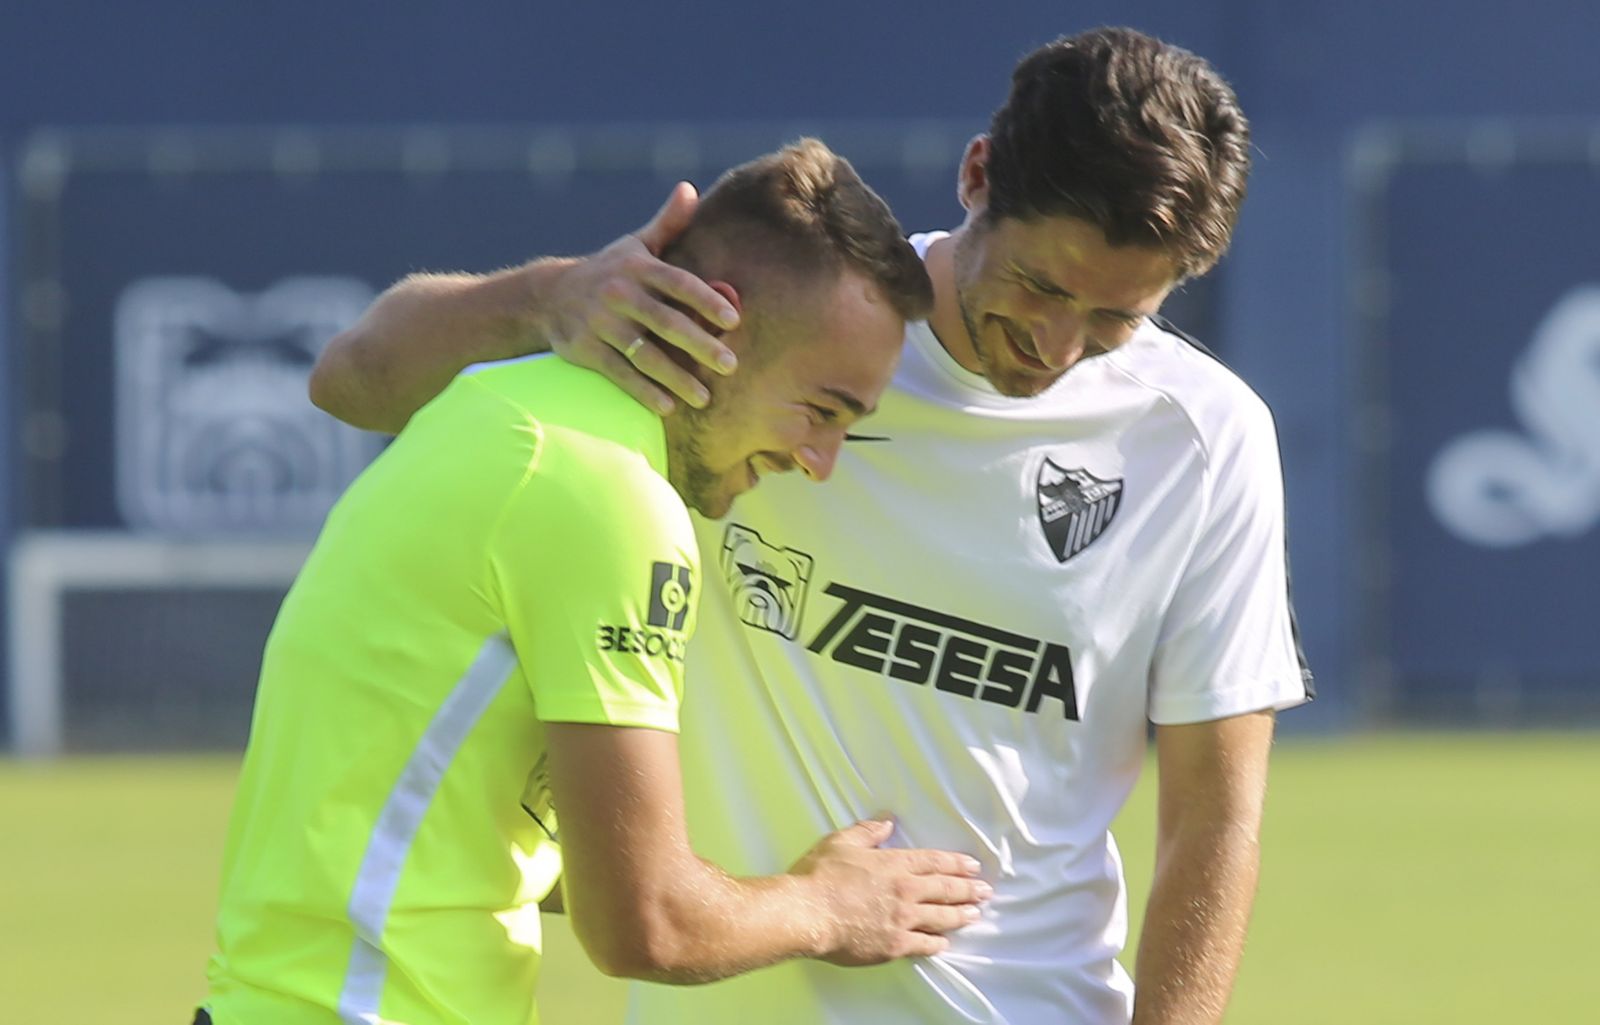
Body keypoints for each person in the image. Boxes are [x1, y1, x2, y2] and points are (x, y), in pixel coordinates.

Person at [311, 27, 1313, 1025]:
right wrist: (551, 297)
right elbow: (355, 378)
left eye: (1113, 319)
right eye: (1041, 285)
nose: (1056, 344)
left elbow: (1215, 818)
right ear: (977, 175)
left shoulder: (1205, 439)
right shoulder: (786, 323)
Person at [197, 139, 992, 1025]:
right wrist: (830, 905)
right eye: (821, 408)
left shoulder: (503, 405)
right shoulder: (612, 496)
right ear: (715, 324)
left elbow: (486, 834)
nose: (821, 460)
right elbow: (647, 923)